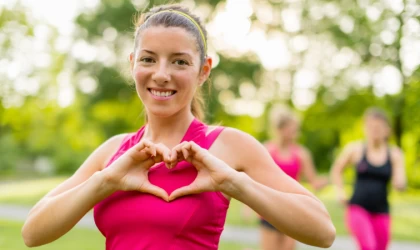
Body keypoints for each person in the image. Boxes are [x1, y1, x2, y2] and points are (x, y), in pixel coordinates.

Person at [21, 4, 335, 250]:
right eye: (148, 59)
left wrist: (234, 184)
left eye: (179, 62)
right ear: (132, 64)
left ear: (203, 70)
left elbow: (323, 231)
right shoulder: (114, 151)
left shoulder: (227, 146)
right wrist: (105, 182)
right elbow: (33, 232)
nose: (161, 74)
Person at [330, 107, 406, 250]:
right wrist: (339, 191)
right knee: (368, 247)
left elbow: (400, 179)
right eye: (371, 127)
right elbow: (336, 170)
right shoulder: (355, 149)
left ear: (387, 130)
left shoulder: (394, 154)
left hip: (382, 210)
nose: (374, 131)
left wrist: (400, 183)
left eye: (378, 127)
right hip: (358, 208)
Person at [258, 105, 329, 250]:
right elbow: (256, 178)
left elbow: (313, 181)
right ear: (281, 129)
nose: (295, 133)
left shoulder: (302, 154)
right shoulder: (266, 150)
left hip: (292, 209)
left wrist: (323, 182)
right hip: (269, 208)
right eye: (292, 129)